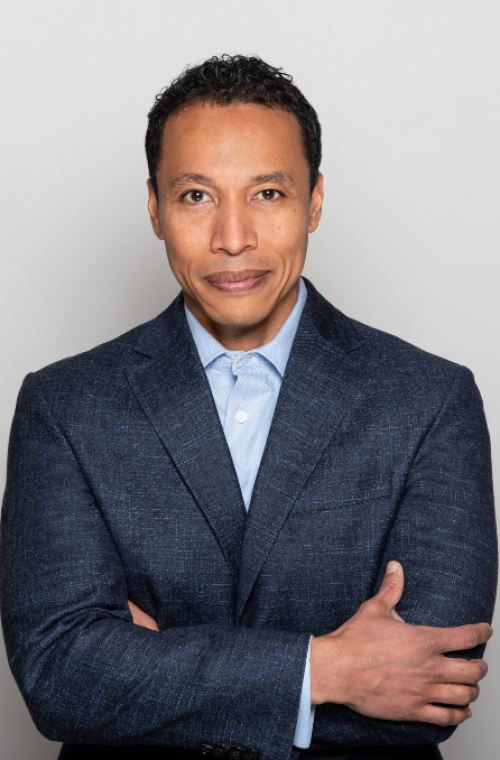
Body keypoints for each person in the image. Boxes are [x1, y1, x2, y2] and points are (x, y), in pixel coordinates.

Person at [0, 55, 497, 760]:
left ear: (314, 201)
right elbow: (60, 678)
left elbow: (429, 693)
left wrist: (153, 672)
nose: (233, 237)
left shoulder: (430, 400)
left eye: (267, 193)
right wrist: (325, 670)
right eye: (196, 196)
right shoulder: (64, 407)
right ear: (155, 209)